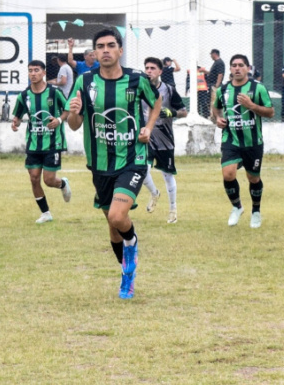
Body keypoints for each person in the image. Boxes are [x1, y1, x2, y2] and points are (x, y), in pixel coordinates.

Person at [67, 29, 161, 300]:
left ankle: (132, 243)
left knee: (117, 217)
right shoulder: (84, 81)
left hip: (133, 158)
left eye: (111, 45)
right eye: (100, 46)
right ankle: (127, 275)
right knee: (112, 224)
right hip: (99, 164)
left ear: (120, 50)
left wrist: (149, 127)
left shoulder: (136, 79)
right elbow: (74, 125)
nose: (105, 50)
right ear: (94, 53)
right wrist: (74, 113)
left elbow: (156, 102)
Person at [213, 55, 275, 229]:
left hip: (253, 142)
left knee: (253, 178)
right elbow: (216, 108)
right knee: (228, 174)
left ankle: (256, 211)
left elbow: (270, 112)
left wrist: (252, 106)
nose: (237, 68)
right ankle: (237, 207)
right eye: (234, 65)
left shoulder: (258, 88)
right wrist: (218, 118)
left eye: (241, 65)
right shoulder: (223, 89)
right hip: (230, 139)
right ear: (230, 69)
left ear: (248, 68)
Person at [13, 60, 72, 224]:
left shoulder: (54, 92)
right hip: (33, 143)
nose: (33, 73)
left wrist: (59, 120)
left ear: (44, 72)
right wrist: (15, 122)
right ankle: (45, 213)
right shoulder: (24, 96)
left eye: (36, 70)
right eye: (30, 70)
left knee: (49, 180)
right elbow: (18, 115)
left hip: (53, 142)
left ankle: (62, 183)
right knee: (34, 178)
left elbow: (67, 108)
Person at [141, 57, 187, 225]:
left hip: (164, 139)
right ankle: (154, 193)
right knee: (141, 171)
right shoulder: (139, 89)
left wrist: (171, 113)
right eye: (147, 68)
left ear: (160, 71)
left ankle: (173, 210)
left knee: (167, 175)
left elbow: (184, 111)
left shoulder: (168, 89)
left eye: (153, 68)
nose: (149, 71)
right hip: (145, 138)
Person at [198, 49, 225, 118]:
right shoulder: (216, 62)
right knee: (210, 101)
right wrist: (204, 71)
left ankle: (216, 117)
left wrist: (217, 85)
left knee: (214, 102)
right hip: (212, 85)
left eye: (211, 54)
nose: (210, 56)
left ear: (214, 54)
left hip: (215, 86)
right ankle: (213, 116)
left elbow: (220, 74)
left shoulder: (219, 62)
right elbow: (212, 73)